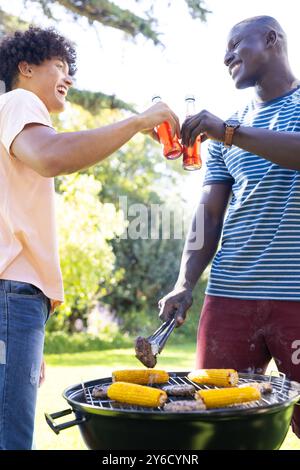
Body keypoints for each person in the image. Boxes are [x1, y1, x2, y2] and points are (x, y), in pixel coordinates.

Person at [0, 26, 180, 450]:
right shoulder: (18, 101)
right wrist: (137, 122)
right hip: (12, 293)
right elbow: (52, 156)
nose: (69, 78)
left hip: (14, 301)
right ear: (25, 69)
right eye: (58, 67)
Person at [159, 15, 300, 438]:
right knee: (218, 428)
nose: (226, 57)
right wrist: (185, 281)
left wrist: (228, 132)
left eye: (235, 44)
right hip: (229, 298)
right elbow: (209, 213)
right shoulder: (228, 129)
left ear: (272, 39)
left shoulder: (230, 129)